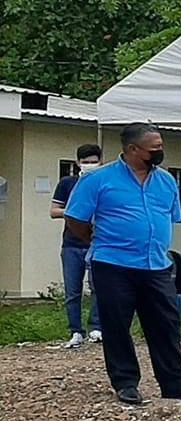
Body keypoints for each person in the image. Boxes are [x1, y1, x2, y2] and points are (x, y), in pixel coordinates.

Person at [63, 123, 181, 406]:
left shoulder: (166, 181)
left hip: (156, 264)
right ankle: (126, 382)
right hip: (113, 264)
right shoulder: (97, 179)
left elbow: (170, 217)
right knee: (117, 324)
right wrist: (97, 239)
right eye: (155, 148)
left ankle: (175, 383)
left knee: (166, 324)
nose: (160, 151)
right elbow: (75, 218)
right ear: (132, 149)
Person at [50, 143, 103, 349]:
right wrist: (76, 210)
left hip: (97, 242)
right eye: (85, 162)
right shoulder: (68, 183)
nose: (90, 165)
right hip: (71, 244)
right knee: (73, 291)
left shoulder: (103, 183)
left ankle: (96, 327)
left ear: (100, 162)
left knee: (98, 287)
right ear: (78, 163)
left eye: (93, 162)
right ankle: (75, 331)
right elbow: (54, 211)